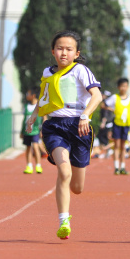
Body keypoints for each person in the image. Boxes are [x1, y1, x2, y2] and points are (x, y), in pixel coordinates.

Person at [25, 30, 102, 240]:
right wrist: (34, 115)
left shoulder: (81, 71)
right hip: (55, 127)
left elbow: (97, 96)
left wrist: (85, 115)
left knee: (77, 187)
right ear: (53, 51)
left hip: (79, 127)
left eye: (69, 49)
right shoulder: (47, 73)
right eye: (60, 48)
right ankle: (63, 220)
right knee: (64, 171)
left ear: (77, 53)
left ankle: (67, 207)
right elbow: (44, 97)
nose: (64, 53)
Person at [103, 77, 130, 175]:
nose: (124, 88)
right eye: (122, 86)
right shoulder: (115, 97)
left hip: (126, 125)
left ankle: (122, 167)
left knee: (123, 146)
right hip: (117, 124)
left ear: (128, 87)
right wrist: (112, 109)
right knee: (117, 146)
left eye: (125, 86)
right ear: (118, 87)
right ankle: (116, 167)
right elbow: (103, 104)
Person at [21, 88, 43, 174]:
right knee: (28, 147)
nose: (27, 96)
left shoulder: (39, 105)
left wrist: (42, 130)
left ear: (33, 95)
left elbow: (44, 118)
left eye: (28, 94)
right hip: (27, 131)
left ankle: (38, 165)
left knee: (36, 146)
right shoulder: (26, 106)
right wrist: (22, 131)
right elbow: (24, 120)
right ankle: (29, 166)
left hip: (36, 130)